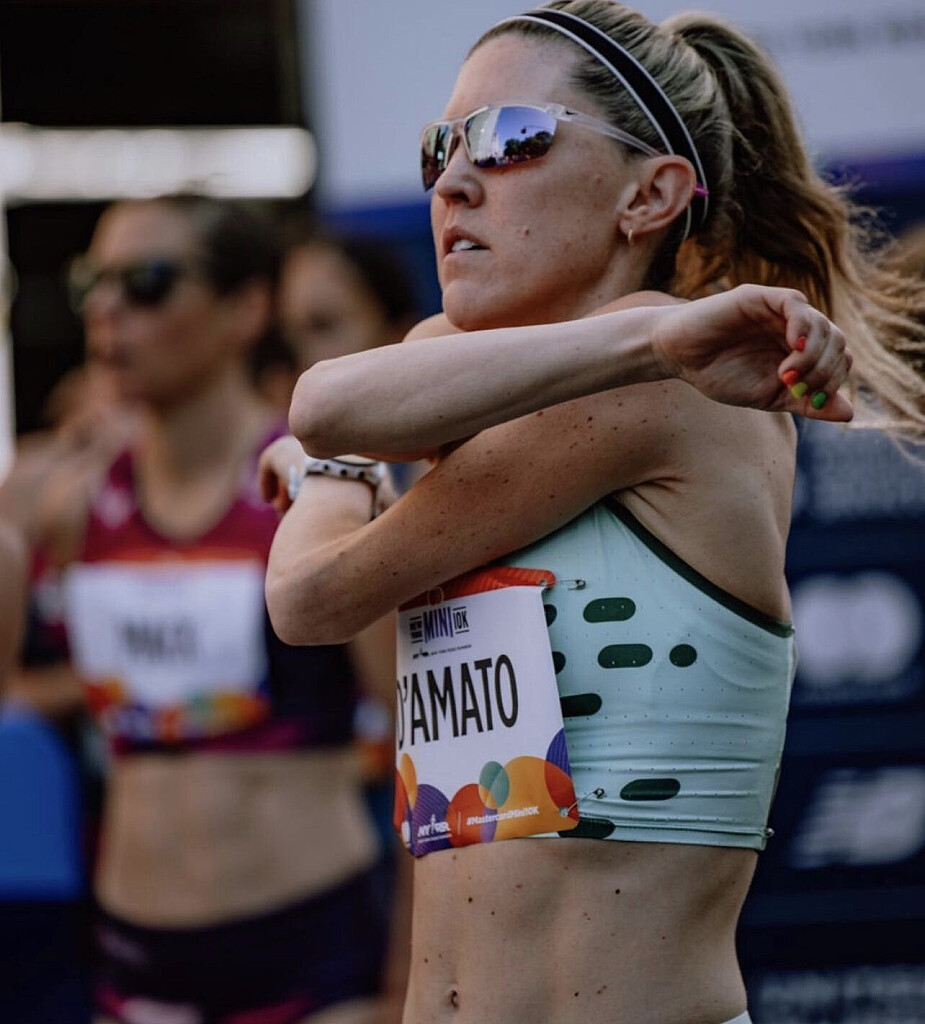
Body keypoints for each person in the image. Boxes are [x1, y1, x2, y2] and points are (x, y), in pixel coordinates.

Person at [259, 4, 925, 1024]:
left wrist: (330, 478)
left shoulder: (667, 381)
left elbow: (311, 585)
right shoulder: (541, 365)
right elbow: (334, 413)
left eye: (507, 137)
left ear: (649, 195)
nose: (452, 180)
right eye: (440, 145)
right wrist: (339, 467)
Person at [14, 195, 393, 1024]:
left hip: (309, 945)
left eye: (147, 282)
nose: (108, 309)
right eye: (91, 284)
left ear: (244, 309)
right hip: (134, 949)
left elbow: (415, 728)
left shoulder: (317, 486)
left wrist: (412, 963)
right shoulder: (72, 502)